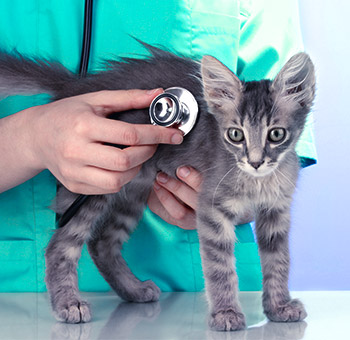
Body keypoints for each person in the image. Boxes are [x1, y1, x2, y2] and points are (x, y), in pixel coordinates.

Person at [0, 0, 316, 292]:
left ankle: (109, 254)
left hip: (192, 304)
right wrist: (26, 140)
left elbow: (278, 130)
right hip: (13, 299)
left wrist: (245, 200)